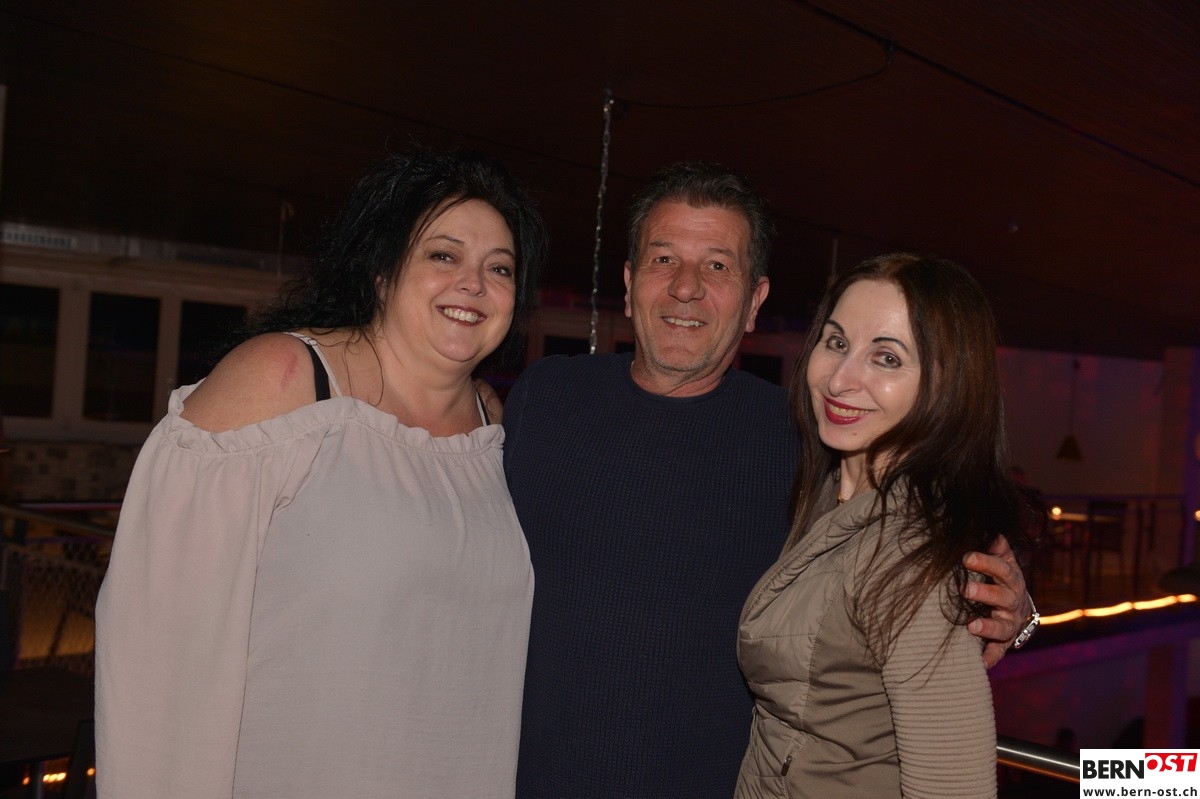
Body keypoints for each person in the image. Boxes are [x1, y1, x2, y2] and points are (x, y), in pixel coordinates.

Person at [502, 164, 1033, 798]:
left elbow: (917, 551)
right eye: (663, 258)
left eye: (718, 266)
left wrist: (1012, 613)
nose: (686, 287)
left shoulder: (803, 441)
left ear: (755, 301)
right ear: (628, 281)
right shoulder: (545, 398)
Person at [95, 149, 546, 798]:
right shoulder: (282, 380)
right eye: (443, 255)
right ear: (382, 272)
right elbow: (162, 651)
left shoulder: (493, 424)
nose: (473, 283)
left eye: (498, 267)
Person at [736, 253, 1041, 798]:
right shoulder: (827, 489)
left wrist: (1019, 619)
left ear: (945, 386)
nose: (840, 379)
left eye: (887, 358)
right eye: (836, 342)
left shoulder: (907, 554)